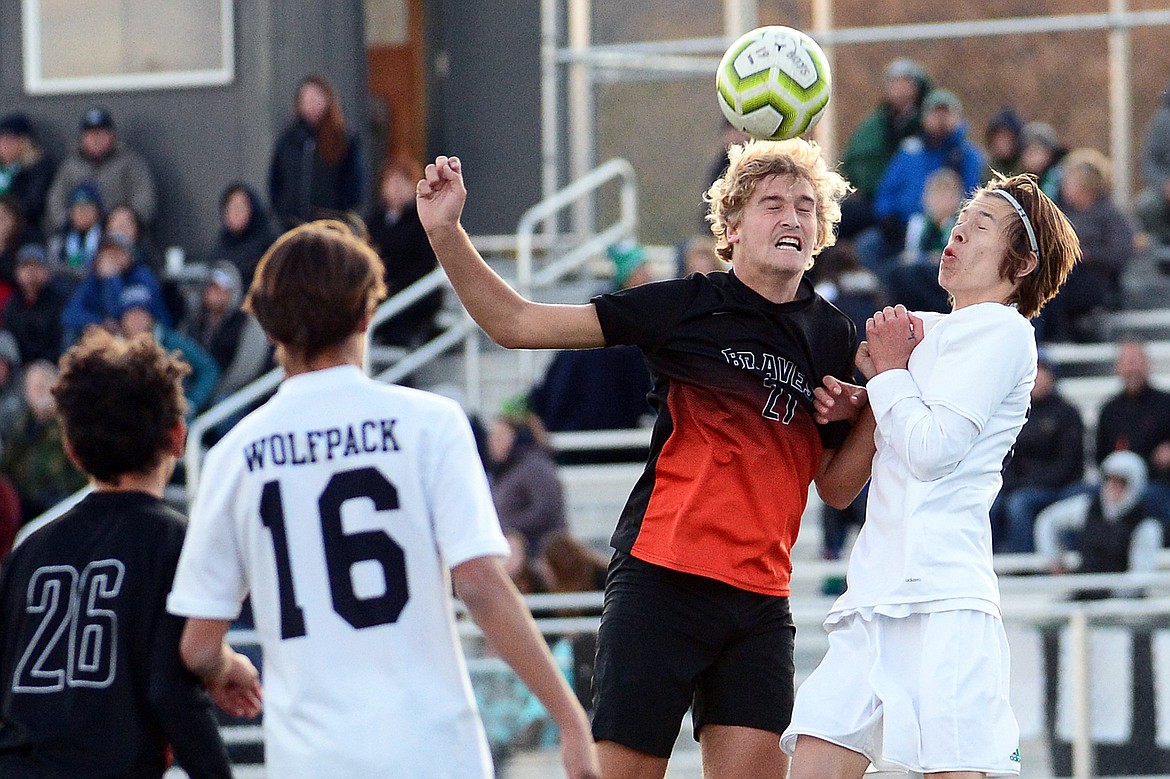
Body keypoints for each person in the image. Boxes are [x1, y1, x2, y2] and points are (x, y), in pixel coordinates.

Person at [418, 138, 879, 778]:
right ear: (734, 226)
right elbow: (517, 324)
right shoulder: (683, 305)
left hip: (759, 604)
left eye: (806, 207)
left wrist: (877, 407)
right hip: (662, 583)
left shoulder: (831, 335)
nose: (792, 218)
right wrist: (446, 235)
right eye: (773, 204)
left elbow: (835, 489)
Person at [165, 220, 599, 779]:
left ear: (269, 328)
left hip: (312, 762)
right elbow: (482, 587)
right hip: (434, 752)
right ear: (367, 314)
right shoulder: (431, 424)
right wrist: (569, 718)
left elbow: (199, 647)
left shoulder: (233, 455)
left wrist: (226, 668)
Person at [784, 172, 1082, 778]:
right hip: (872, 595)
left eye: (982, 227)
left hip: (944, 598)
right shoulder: (926, 333)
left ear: (1021, 265)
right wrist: (859, 406)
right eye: (961, 220)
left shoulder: (1004, 331)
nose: (959, 232)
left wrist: (887, 377)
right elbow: (838, 488)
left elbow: (931, 450)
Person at [0, 328, 251, 778]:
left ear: (72, 451)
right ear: (177, 436)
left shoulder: (28, 550)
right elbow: (169, 690)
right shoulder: (173, 541)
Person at [527, 241, 655, 443]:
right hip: (589, 436)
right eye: (639, 270)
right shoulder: (594, 341)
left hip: (611, 437)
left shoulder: (645, 326)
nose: (647, 276)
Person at [862, 89, 985, 273]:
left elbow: (974, 195)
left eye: (946, 114)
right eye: (935, 114)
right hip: (903, 227)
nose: (940, 120)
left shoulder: (968, 157)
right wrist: (889, 216)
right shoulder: (909, 151)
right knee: (868, 245)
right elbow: (886, 191)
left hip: (947, 228)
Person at [1034, 449, 1163, 601]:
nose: (1112, 487)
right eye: (1109, 479)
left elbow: (1138, 580)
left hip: (1121, 607)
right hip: (1083, 595)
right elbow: (1047, 520)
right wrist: (1053, 559)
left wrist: (1106, 598)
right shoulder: (1087, 508)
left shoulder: (1146, 526)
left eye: (1121, 481)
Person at [993, 352, 1086, 554]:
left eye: (1041, 371)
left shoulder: (1067, 413)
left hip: (1058, 486)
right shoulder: (1014, 413)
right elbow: (1005, 457)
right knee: (991, 501)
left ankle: (1023, 563)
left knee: (1020, 504)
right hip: (1019, 485)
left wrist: (1029, 483)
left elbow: (1069, 463)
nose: (1036, 377)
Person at [1040, 147, 1135, 342]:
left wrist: (1088, 254)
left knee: (1060, 285)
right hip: (1066, 273)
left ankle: (1061, 335)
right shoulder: (1062, 213)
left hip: (1096, 279)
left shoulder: (1109, 214)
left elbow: (1119, 252)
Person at [837, 58, 933, 240]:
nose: (900, 89)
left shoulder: (926, 127)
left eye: (906, 83)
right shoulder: (874, 126)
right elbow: (851, 162)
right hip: (872, 201)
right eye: (896, 83)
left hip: (905, 207)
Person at [268, 75, 367, 230]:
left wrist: (336, 212)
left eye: (316, 98)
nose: (312, 104)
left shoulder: (344, 140)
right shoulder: (287, 140)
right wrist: (284, 213)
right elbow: (276, 181)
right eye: (307, 99)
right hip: (292, 228)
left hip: (331, 227)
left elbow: (354, 186)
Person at [367, 155, 444, 348]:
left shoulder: (422, 221)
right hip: (383, 290)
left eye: (403, 182)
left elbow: (424, 263)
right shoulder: (375, 221)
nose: (396, 189)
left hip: (413, 295)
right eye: (391, 182)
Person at [43, 107, 157, 234]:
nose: (96, 139)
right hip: (78, 234)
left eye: (101, 133)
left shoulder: (129, 163)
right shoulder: (71, 166)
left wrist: (129, 217)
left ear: (112, 135)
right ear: (83, 137)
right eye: (91, 134)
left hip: (116, 234)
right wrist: (69, 221)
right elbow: (55, 200)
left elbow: (144, 197)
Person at [0, 360, 87, 524]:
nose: (38, 392)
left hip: (58, 502)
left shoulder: (70, 425)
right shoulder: (23, 424)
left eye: (43, 386)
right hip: (23, 501)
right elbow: (7, 465)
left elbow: (80, 474)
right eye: (33, 387)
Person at [1094, 340, 1170, 522]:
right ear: (1117, 368)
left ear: (1147, 365)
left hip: (1158, 481)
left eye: (1137, 361)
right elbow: (1100, 456)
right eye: (1127, 362)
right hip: (1116, 483)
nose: (1132, 368)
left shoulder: (1165, 403)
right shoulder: (1109, 410)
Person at [119, 286, 221, 418]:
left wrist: (192, 402)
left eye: (142, 313)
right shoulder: (113, 350)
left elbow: (209, 369)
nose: (137, 320)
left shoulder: (171, 342)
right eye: (131, 314)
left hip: (168, 418)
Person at [181, 261, 271, 402]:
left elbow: (246, 368)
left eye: (223, 289)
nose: (216, 294)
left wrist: (217, 390)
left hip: (234, 395)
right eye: (213, 287)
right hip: (197, 391)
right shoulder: (194, 320)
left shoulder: (246, 323)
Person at [487, 405, 569, 555]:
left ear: (517, 437)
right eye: (492, 436)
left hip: (540, 556)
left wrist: (505, 527)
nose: (493, 442)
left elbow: (546, 510)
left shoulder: (535, 466)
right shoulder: (504, 471)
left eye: (500, 436)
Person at [61, 231, 170, 344]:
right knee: (73, 333)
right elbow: (69, 315)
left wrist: (112, 278)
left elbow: (120, 315)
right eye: (107, 252)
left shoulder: (142, 276)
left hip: (140, 336)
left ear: (129, 256)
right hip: (104, 334)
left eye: (117, 252)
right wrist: (100, 322)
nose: (112, 257)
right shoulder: (93, 279)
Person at [883, 166, 964, 314]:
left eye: (945, 196)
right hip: (919, 269)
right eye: (935, 195)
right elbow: (911, 252)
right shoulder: (918, 223)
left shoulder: (959, 225)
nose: (939, 202)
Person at [3, 243, 66, 365]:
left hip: (50, 365)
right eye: (26, 266)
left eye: (36, 265)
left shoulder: (59, 301)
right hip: (17, 367)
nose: (31, 272)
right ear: (17, 272)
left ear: (47, 271)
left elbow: (58, 342)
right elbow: (8, 341)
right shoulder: (11, 304)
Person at [207, 182, 278, 288]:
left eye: (240, 207)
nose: (235, 213)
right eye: (230, 207)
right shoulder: (221, 245)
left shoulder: (269, 245)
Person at [1134, 77, 1170, 266]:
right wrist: (1163, 184)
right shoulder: (1161, 121)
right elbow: (1148, 162)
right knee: (1146, 206)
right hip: (1163, 189)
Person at [0, 113, 54, 231]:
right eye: (2, 140)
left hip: (25, 232)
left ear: (25, 142)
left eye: (10, 140)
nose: (5, 146)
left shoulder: (38, 168)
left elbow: (32, 205)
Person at [48, 182, 103, 279]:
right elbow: (53, 270)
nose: (82, 213)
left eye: (87, 208)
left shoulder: (105, 240)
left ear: (97, 212)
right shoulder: (59, 242)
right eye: (78, 208)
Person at [983, 107, 1026, 178]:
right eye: (998, 138)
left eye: (1007, 137)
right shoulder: (990, 168)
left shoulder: (1026, 166)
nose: (1002, 143)